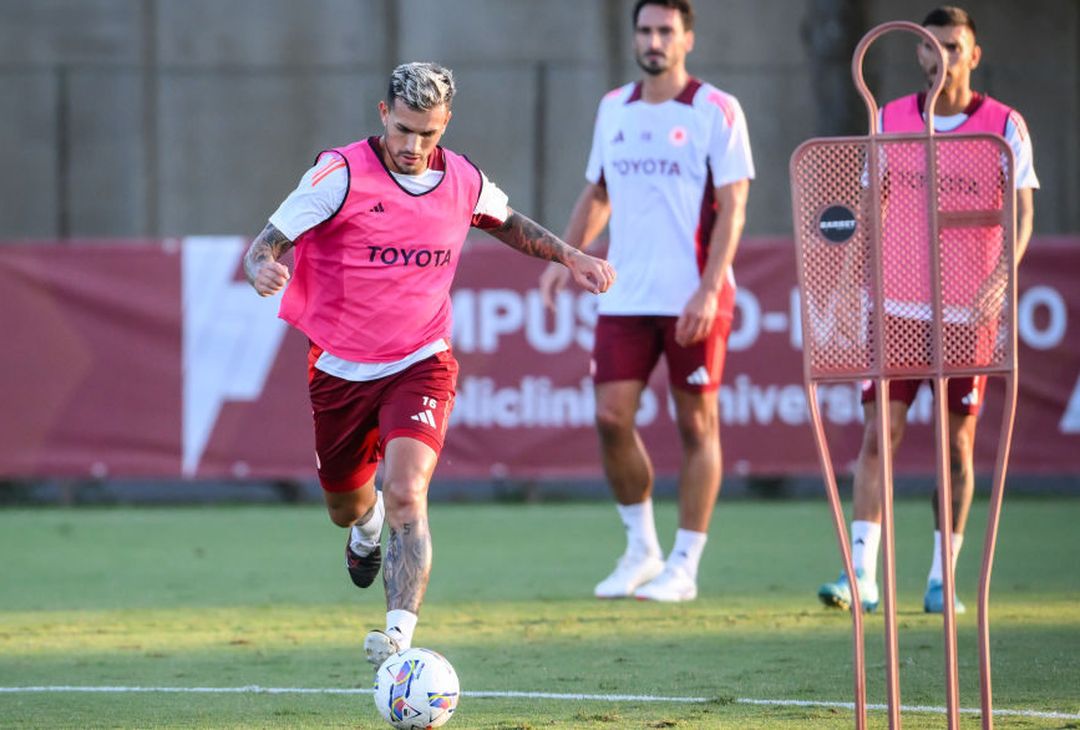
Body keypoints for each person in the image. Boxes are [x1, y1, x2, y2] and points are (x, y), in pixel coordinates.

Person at [244, 62, 615, 667]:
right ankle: (366, 529)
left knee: (409, 491)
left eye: (429, 134)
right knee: (347, 505)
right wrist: (261, 267)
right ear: (384, 113)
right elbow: (267, 241)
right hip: (340, 368)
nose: (415, 146)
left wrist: (571, 256)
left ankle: (397, 639)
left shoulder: (462, 179)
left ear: (445, 126)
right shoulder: (337, 175)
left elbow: (508, 223)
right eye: (406, 129)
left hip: (422, 358)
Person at [817, 6, 1038, 614]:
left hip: (969, 312)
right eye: (930, 46)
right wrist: (841, 284)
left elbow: (1021, 216)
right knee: (878, 435)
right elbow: (866, 211)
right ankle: (860, 572)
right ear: (918, 55)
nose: (940, 56)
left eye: (952, 45)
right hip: (895, 306)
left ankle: (943, 578)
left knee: (957, 447)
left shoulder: (1004, 125)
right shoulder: (888, 119)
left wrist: (1003, 275)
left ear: (973, 54)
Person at [539, 0, 754, 602]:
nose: (653, 40)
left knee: (696, 425)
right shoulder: (614, 108)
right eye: (645, 30)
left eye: (665, 31)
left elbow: (735, 207)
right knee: (610, 418)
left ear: (687, 39)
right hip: (624, 292)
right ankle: (641, 548)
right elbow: (599, 191)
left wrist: (711, 289)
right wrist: (566, 256)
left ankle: (684, 564)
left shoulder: (717, 109)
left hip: (693, 294)